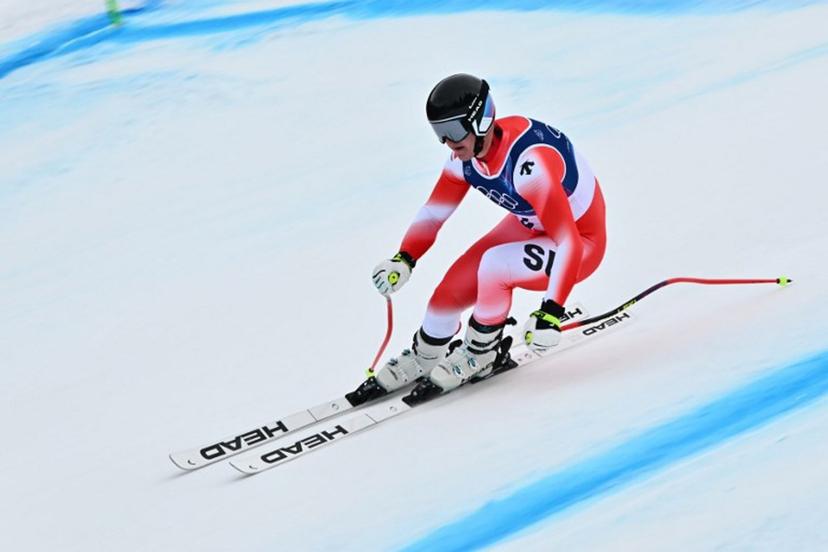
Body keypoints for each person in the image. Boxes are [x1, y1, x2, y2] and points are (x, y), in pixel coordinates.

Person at [371, 73, 607, 394]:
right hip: (532, 224)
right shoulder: (463, 160)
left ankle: (482, 353)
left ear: (479, 121)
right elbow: (433, 213)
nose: (448, 142)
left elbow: (568, 241)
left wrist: (551, 312)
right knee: (447, 295)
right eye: (439, 132)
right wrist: (405, 258)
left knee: (495, 265)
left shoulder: (530, 165)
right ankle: (424, 356)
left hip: (581, 242)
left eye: (454, 130)